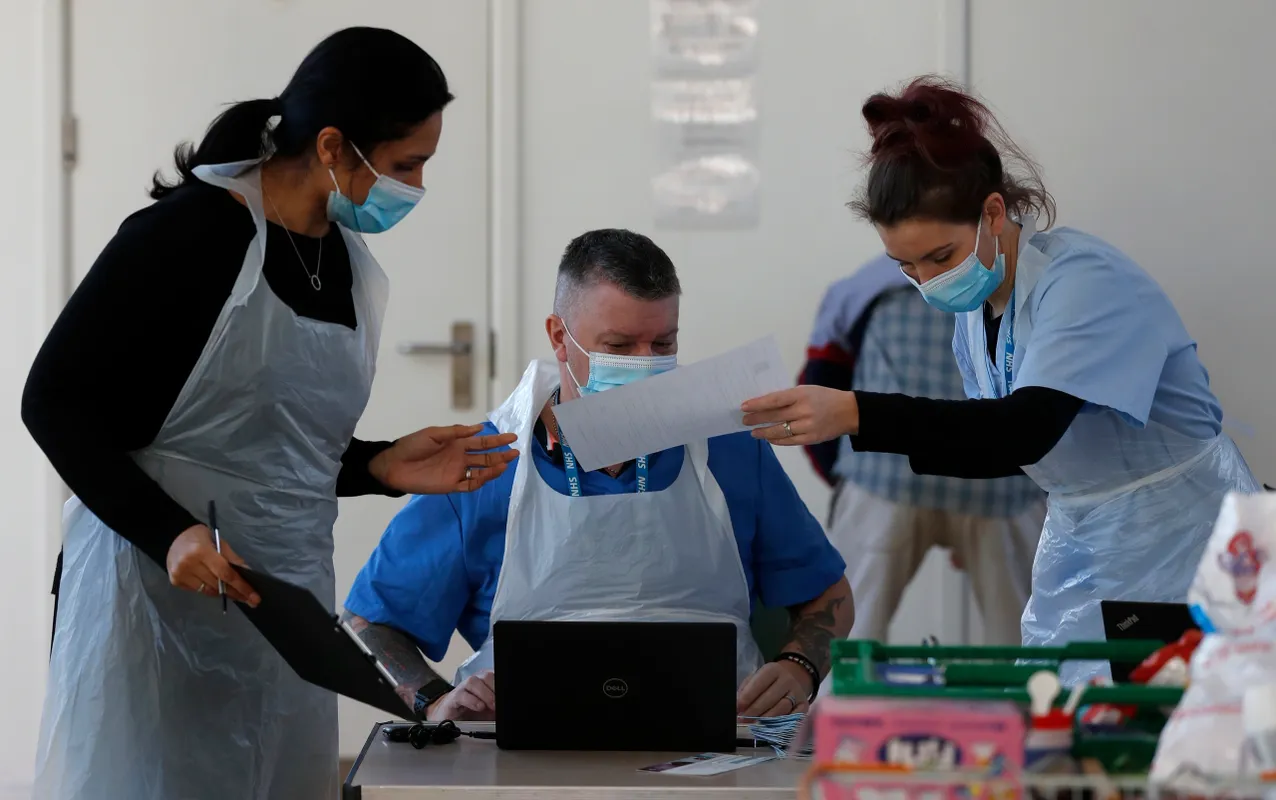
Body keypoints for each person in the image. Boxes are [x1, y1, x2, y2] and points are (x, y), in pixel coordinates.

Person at [23, 28, 518, 800]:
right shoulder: (192, 234)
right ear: (332, 145)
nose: (417, 185)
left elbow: (267, 442)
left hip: (284, 610)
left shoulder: (344, 261)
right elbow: (53, 402)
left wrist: (377, 464)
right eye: (406, 164)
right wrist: (169, 532)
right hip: (155, 596)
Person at [743, 76, 1258, 680]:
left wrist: (857, 412)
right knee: (1064, 715)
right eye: (905, 266)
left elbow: (1022, 432)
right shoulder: (982, 310)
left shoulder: (1083, 283)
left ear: (993, 212)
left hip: (1183, 533)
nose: (927, 281)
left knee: (1190, 715)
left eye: (939, 258)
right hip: (1084, 532)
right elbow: (1001, 448)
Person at [342, 228, 854, 721]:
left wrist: (799, 668)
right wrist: (433, 701)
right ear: (560, 336)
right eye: (620, 345)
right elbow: (370, 623)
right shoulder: (483, 465)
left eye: (663, 344)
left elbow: (828, 597)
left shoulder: (730, 451)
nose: (645, 363)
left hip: (715, 744)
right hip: (527, 752)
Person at [801, 254, 1045, 647]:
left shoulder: (866, 285)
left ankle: (841, 708)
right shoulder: (1026, 279)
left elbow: (820, 380)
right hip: (1003, 482)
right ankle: (1036, 709)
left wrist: (845, 478)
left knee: (848, 637)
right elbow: (1051, 405)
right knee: (1028, 645)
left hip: (883, 476)